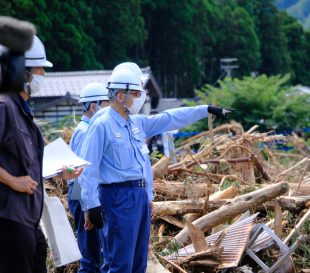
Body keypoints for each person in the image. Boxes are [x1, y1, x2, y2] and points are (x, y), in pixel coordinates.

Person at [79, 63, 229, 273]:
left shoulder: (135, 123)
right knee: (119, 263)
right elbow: (88, 166)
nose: (140, 97)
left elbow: (170, 118)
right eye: (136, 93)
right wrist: (90, 204)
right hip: (116, 198)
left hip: (138, 197)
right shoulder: (101, 124)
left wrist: (205, 110)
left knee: (138, 262)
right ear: (121, 95)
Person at [0, 35, 82, 273]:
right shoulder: (5, 107)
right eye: (38, 69)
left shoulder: (23, 112)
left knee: (38, 255)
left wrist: (62, 171)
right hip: (9, 220)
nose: (43, 76)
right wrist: (14, 181)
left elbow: (34, 158)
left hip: (28, 220)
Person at [68, 82, 110, 273]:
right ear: (94, 106)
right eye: (106, 104)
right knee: (90, 256)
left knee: (95, 252)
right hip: (81, 194)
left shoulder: (86, 130)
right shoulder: (85, 132)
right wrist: (88, 206)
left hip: (83, 193)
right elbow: (83, 173)